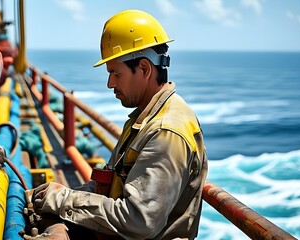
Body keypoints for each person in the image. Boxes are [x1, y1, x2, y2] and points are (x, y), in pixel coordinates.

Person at [32, 9, 208, 240]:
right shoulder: (145, 118)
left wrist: (64, 199)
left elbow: (139, 221)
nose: (109, 83)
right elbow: (114, 182)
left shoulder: (166, 132)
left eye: (115, 73)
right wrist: (59, 196)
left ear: (144, 69)